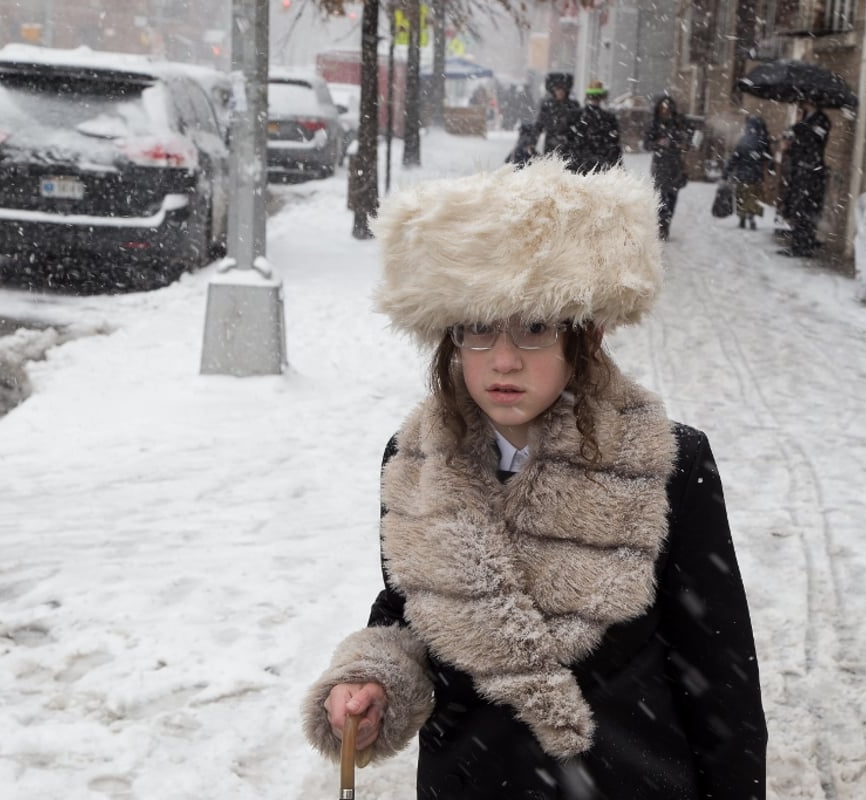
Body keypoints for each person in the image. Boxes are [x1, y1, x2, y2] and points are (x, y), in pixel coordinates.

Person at [301, 157, 768, 799]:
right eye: (477, 328)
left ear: (587, 333)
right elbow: (412, 608)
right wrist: (373, 677)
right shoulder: (413, 462)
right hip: (468, 783)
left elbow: (719, 672)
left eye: (536, 327)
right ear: (449, 337)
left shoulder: (668, 462)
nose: (502, 359)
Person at [778, 99, 830, 257]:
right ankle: (798, 243)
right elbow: (800, 144)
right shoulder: (805, 121)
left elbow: (815, 141)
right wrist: (788, 146)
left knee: (807, 208)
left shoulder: (822, 121)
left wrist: (798, 129)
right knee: (797, 207)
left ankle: (804, 245)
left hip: (811, 171)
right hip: (800, 169)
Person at [642, 94, 692, 240]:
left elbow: (689, 137)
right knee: (662, 196)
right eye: (662, 108)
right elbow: (646, 144)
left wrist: (684, 144)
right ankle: (661, 224)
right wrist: (658, 143)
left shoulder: (679, 122)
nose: (665, 111)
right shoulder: (654, 124)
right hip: (660, 165)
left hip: (676, 165)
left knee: (672, 197)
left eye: (667, 108)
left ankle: (666, 223)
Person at [562, 79, 622, 174]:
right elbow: (614, 146)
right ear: (602, 97)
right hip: (599, 166)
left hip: (578, 166)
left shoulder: (575, 116)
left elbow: (567, 141)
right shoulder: (608, 118)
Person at [724, 115, 773, 231]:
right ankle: (751, 217)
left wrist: (726, 173)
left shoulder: (743, 140)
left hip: (742, 174)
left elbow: (734, 158)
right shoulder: (763, 141)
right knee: (753, 197)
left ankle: (742, 218)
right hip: (756, 175)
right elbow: (768, 158)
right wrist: (770, 170)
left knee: (742, 196)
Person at [535, 72, 579, 156]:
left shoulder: (573, 105)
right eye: (557, 89)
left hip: (569, 145)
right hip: (551, 144)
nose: (560, 92)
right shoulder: (547, 105)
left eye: (563, 89)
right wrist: (532, 143)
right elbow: (539, 125)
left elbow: (578, 125)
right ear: (553, 90)